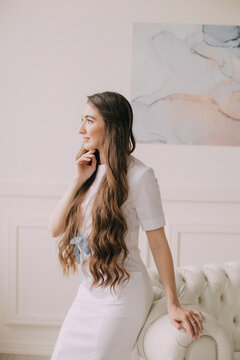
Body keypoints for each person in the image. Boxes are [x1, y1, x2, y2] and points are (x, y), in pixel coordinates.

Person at [48, 91, 205, 360]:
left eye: (89, 120)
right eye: (82, 120)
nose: (80, 129)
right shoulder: (88, 169)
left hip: (122, 296)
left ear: (111, 126)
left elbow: (158, 244)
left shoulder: (140, 176)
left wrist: (173, 303)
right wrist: (77, 180)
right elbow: (55, 228)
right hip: (88, 293)